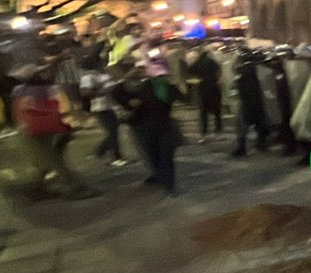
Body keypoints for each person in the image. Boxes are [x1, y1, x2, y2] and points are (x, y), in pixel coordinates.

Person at [11, 55, 99, 199]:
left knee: (51, 160)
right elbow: (62, 107)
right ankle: (45, 187)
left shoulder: (19, 91)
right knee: (50, 160)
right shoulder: (48, 89)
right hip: (54, 128)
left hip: (34, 130)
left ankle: (76, 187)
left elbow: (19, 111)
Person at [114, 55, 185, 195]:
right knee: (155, 156)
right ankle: (163, 180)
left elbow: (181, 97)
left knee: (164, 156)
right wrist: (127, 79)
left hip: (160, 126)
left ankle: (169, 185)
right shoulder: (144, 86)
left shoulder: (161, 86)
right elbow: (117, 93)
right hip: (147, 126)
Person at [79, 66, 127, 166]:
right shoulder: (88, 77)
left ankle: (100, 151)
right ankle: (116, 157)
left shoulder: (105, 73)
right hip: (99, 108)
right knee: (112, 132)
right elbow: (85, 93)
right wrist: (100, 89)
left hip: (110, 106)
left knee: (114, 131)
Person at [231, 50, 269, 157]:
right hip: (259, 100)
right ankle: (261, 143)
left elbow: (236, 87)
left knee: (242, 125)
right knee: (260, 122)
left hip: (245, 101)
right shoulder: (262, 70)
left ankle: (241, 147)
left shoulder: (240, 71)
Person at [187, 48, 223, 141]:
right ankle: (218, 131)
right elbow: (218, 70)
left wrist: (198, 77)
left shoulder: (198, 62)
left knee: (203, 112)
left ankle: (204, 134)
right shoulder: (212, 61)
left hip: (203, 88)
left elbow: (190, 70)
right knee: (217, 111)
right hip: (214, 88)